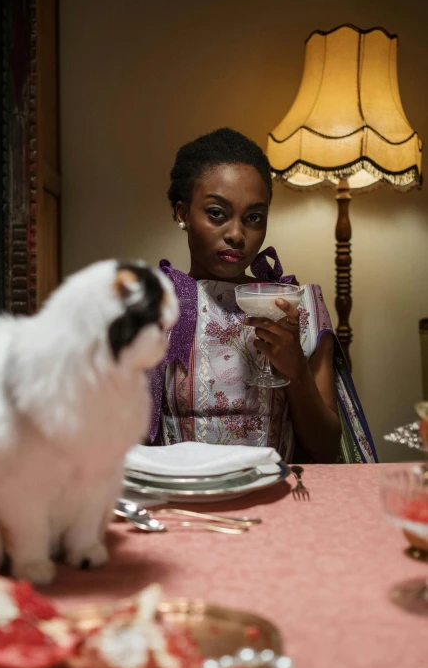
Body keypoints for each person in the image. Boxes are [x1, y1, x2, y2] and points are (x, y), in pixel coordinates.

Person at [148, 128, 377, 463]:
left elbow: (326, 448)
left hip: (278, 502)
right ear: (183, 214)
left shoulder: (300, 310)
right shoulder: (152, 308)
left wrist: (296, 370)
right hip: (183, 505)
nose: (237, 234)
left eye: (254, 217)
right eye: (217, 213)